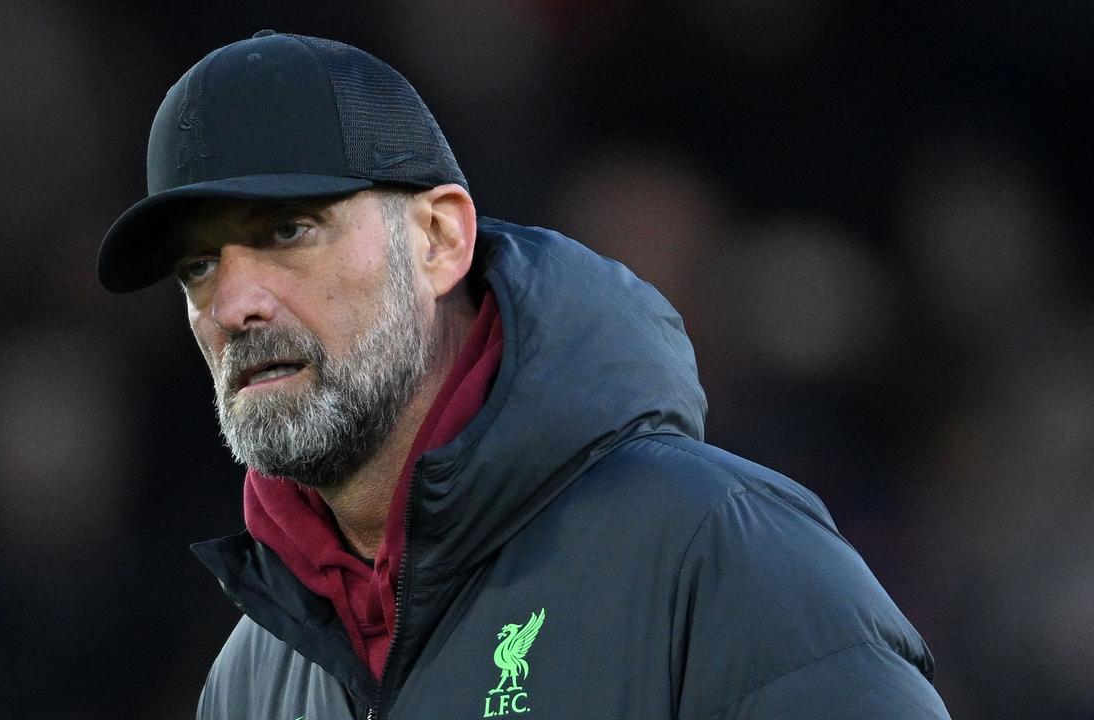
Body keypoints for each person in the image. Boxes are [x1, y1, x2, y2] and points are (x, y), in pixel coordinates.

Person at [98, 30, 950, 720]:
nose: (234, 301)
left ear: (439, 241)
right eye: (199, 266)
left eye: (288, 232)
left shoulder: (716, 549)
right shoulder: (252, 681)